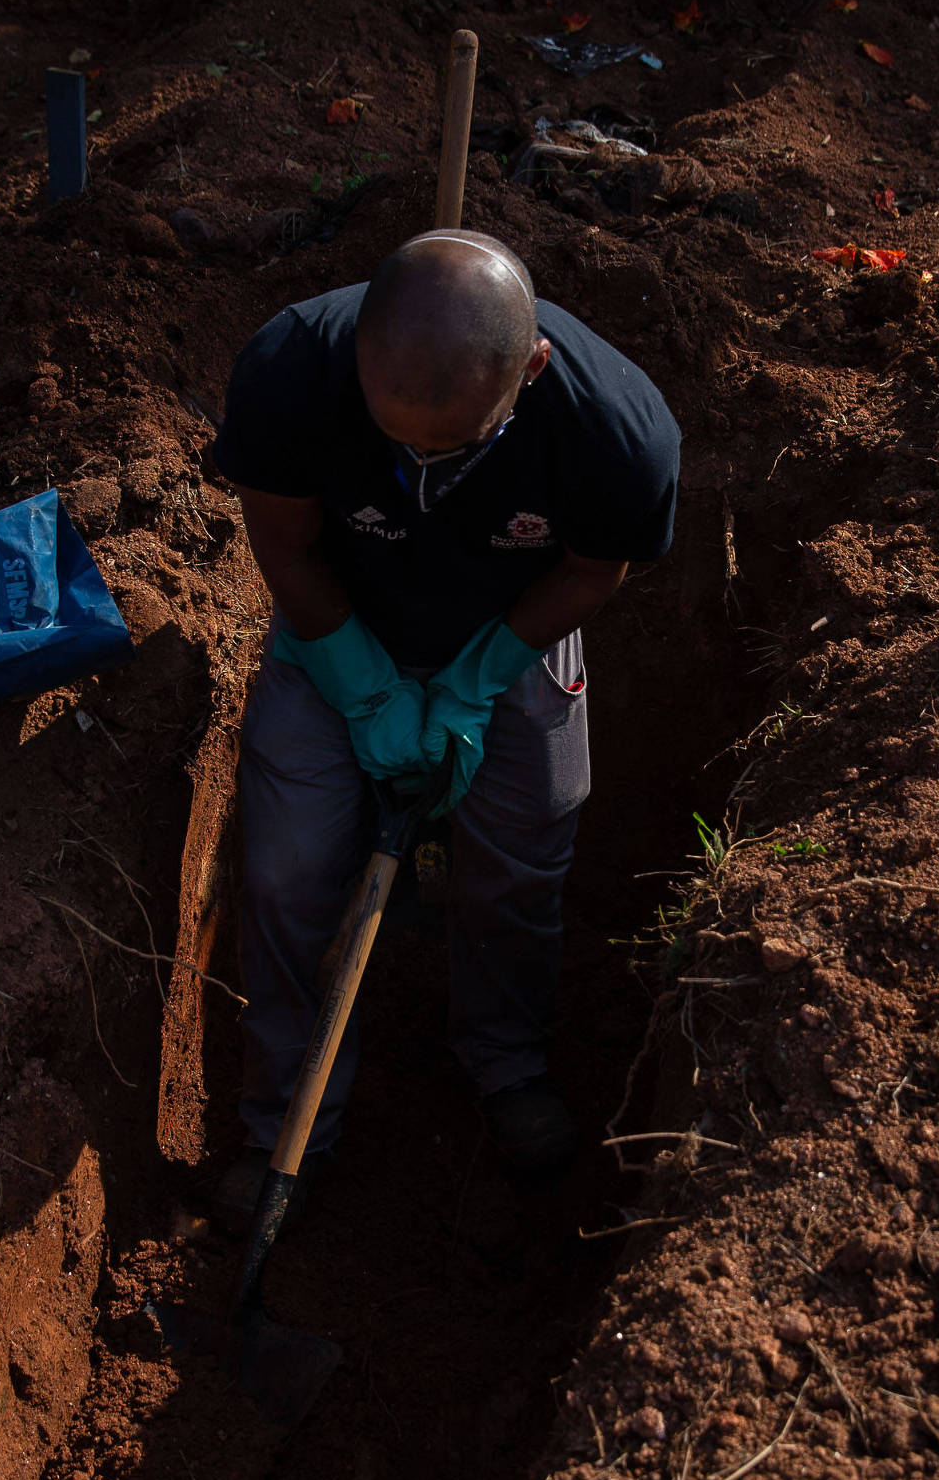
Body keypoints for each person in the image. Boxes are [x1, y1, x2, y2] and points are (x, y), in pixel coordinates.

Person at [208, 229, 680, 1230]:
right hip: (337, 619)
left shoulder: (615, 428)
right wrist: (362, 685)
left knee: (525, 849)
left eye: (449, 445)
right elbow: (282, 541)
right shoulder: (293, 370)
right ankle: (288, 1116)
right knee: (288, 868)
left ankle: (505, 1061)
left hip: (508, 630)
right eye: (396, 440)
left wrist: (477, 677)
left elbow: (594, 571)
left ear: (534, 369)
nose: (417, 461)